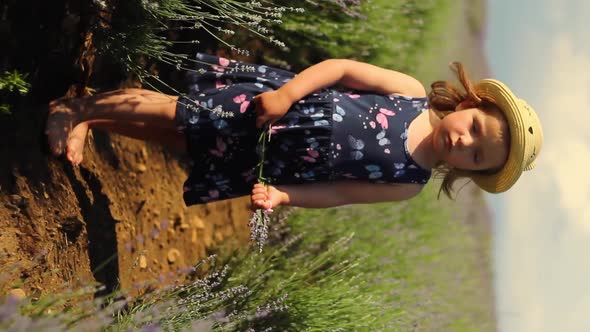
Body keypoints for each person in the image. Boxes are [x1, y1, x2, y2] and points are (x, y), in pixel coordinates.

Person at [45, 53, 543, 210]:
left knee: (183, 142)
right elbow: (339, 69)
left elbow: (338, 192)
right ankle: (74, 105)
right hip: (277, 108)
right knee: (182, 114)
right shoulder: (408, 92)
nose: (464, 142)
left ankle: (94, 121)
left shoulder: (406, 184)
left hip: (276, 161)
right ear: (471, 103)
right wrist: (286, 95)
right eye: (474, 128)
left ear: (468, 173)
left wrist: (286, 196)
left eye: (476, 156)